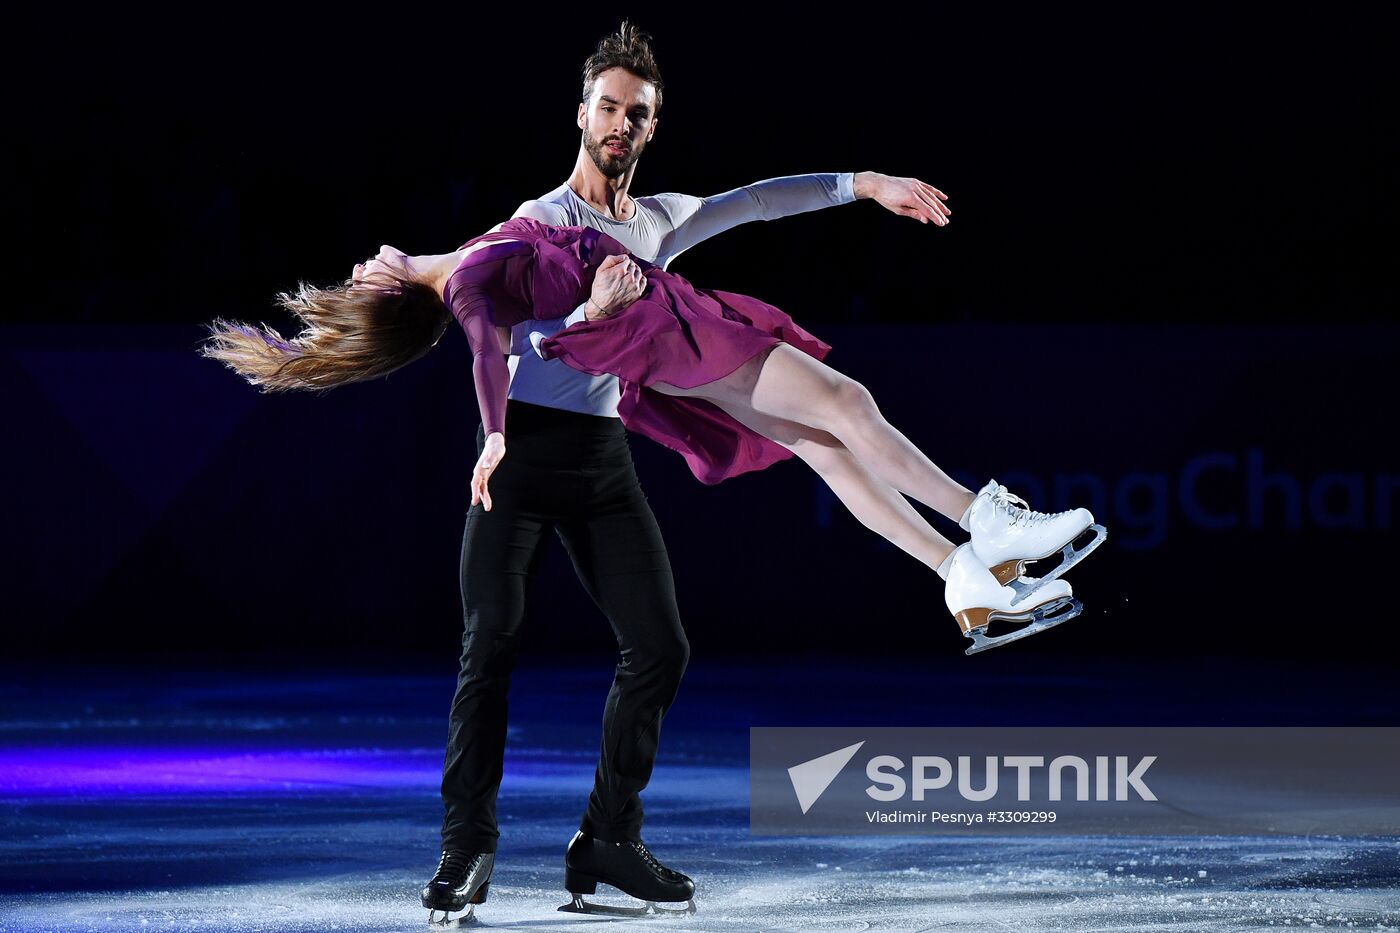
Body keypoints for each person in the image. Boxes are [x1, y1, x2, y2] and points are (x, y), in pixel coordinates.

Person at [200, 22, 1099, 922]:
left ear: (651, 126)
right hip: (515, 457)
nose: (620, 123)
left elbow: (753, 201)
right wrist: (431, 300)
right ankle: (466, 849)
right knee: (492, 648)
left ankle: (608, 839)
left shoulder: (658, 218)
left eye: (637, 112)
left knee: (686, 613)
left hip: (595, 459)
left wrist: (863, 185)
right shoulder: (542, 220)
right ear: (581, 114)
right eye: (608, 107)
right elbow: (485, 314)